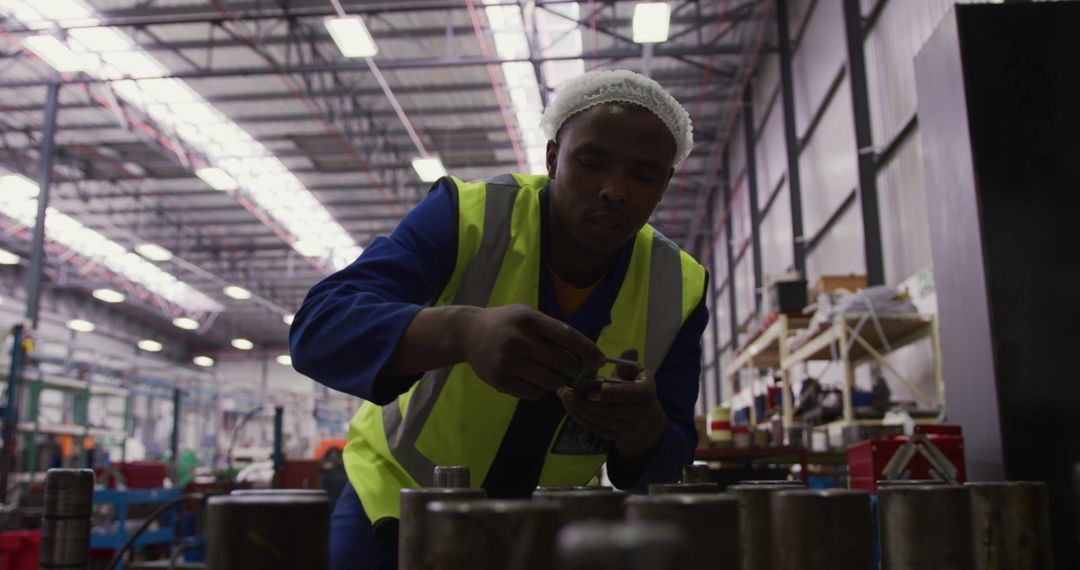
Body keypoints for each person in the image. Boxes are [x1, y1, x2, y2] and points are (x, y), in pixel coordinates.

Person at [290, 69, 710, 569]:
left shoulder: (678, 285)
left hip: (547, 530)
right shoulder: (467, 215)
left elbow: (667, 463)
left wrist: (641, 424)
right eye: (592, 162)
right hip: (398, 505)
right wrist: (462, 331)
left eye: (643, 175)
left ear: (666, 183)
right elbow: (319, 327)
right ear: (553, 157)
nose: (615, 190)